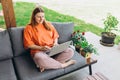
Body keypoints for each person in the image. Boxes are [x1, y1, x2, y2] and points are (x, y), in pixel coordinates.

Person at [23, 7, 76, 72]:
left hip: (52, 49)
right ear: (34, 17)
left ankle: (46, 65)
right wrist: (41, 48)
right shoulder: (29, 28)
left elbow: (55, 36)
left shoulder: (48, 24)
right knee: (39, 58)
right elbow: (28, 44)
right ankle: (63, 65)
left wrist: (55, 43)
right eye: (39, 17)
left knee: (70, 51)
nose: (41, 19)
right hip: (39, 51)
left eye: (43, 16)